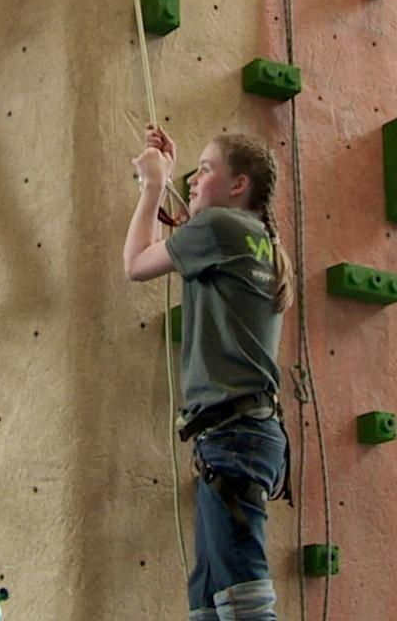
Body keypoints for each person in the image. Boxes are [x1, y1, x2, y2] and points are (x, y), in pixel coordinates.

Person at [122, 125, 294, 621]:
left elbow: (135, 264)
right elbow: (177, 232)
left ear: (238, 185)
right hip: (244, 432)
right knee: (212, 601)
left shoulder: (221, 228)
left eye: (206, 169)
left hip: (233, 435)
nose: (195, 180)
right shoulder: (257, 239)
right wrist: (170, 177)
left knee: (243, 601)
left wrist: (153, 184)